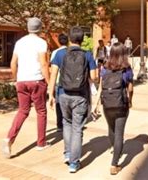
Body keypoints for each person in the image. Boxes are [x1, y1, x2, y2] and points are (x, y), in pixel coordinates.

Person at [48, 26, 97, 173]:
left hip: (63, 93)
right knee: (77, 128)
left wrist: (50, 95)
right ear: (82, 39)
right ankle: (74, 163)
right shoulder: (87, 55)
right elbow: (94, 78)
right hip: (80, 96)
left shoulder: (59, 54)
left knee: (66, 123)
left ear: (69, 38)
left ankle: (68, 153)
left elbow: (53, 75)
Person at [1, 17, 49, 158]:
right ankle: (41, 143)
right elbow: (44, 64)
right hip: (36, 80)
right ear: (40, 28)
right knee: (41, 111)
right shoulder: (41, 43)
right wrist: (49, 81)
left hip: (22, 81)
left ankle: (9, 138)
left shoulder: (19, 42)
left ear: (28, 28)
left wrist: (17, 79)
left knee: (22, 111)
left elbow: (13, 63)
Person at [93, 43, 133, 176]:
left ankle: (115, 149)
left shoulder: (104, 68)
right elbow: (130, 87)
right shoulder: (126, 68)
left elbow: (100, 86)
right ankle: (114, 164)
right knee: (119, 134)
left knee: (111, 129)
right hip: (121, 104)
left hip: (107, 104)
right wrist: (130, 100)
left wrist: (96, 103)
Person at [50, 33, 69, 132]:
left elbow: (52, 70)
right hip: (69, 81)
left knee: (58, 104)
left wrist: (50, 90)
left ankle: (59, 125)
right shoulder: (70, 51)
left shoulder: (55, 53)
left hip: (58, 81)